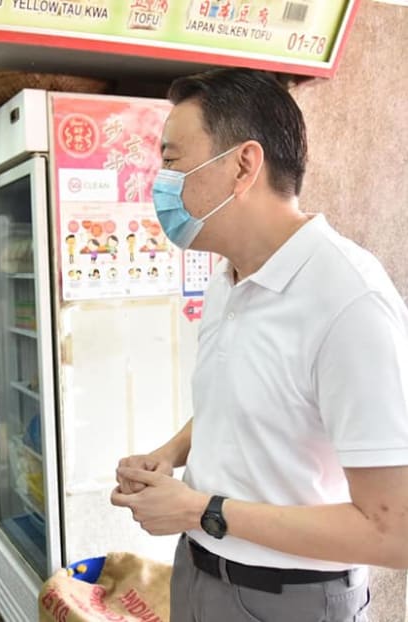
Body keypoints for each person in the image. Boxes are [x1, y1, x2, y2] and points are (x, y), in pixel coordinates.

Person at [111, 68, 408, 621]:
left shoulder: (350, 302)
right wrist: (171, 454)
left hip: (293, 598)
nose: (161, 181)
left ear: (244, 165)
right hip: (197, 570)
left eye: (172, 161)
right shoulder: (230, 277)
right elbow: (247, 397)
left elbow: (393, 532)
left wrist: (203, 510)